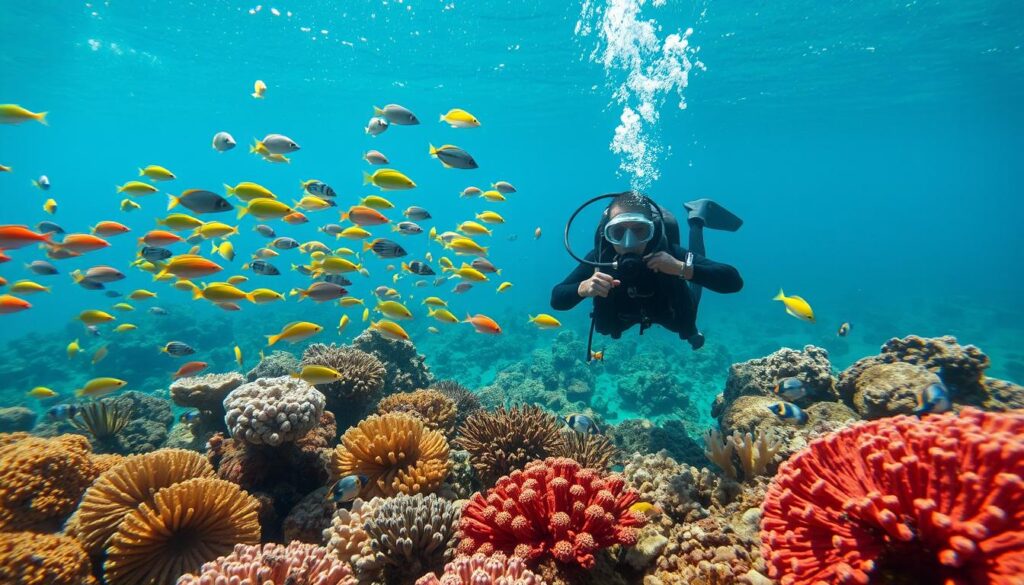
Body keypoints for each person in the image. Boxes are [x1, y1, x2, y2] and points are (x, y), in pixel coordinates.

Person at [550, 192, 743, 350]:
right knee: (607, 326)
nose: (628, 242)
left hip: (668, 312)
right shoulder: (601, 259)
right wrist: (582, 288)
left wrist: (682, 268)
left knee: (687, 322)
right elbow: (557, 299)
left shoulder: (668, 253)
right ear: (607, 234)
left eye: (639, 230)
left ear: (653, 230)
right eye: (618, 232)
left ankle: (696, 221)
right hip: (622, 317)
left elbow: (733, 281)